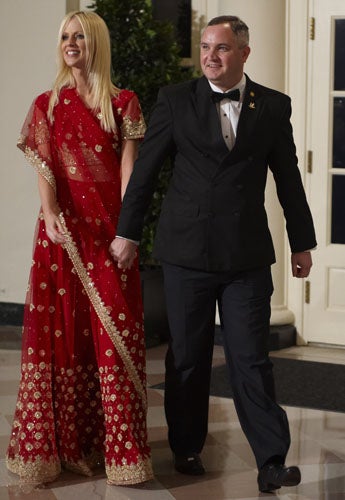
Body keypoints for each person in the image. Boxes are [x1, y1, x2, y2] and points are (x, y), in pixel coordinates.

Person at [110, 15, 317, 493]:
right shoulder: (176, 100)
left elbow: (288, 178)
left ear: (244, 52)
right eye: (205, 47)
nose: (209, 56)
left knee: (251, 358)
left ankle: (270, 461)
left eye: (221, 48)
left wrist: (301, 243)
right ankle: (186, 446)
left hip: (245, 258)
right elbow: (144, 175)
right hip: (185, 254)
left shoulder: (273, 106)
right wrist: (128, 233)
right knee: (187, 358)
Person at [6, 11, 153, 487]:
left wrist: (128, 232)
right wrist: (49, 217)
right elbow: (46, 168)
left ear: (97, 44)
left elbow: (129, 172)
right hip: (64, 236)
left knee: (115, 339)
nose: (71, 44)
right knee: (64, 338)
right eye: (65, 37)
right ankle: (67, 446)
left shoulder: (123, 103)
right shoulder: (48, 104)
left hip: (111, 237)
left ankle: (121, 452)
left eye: (80, 37)